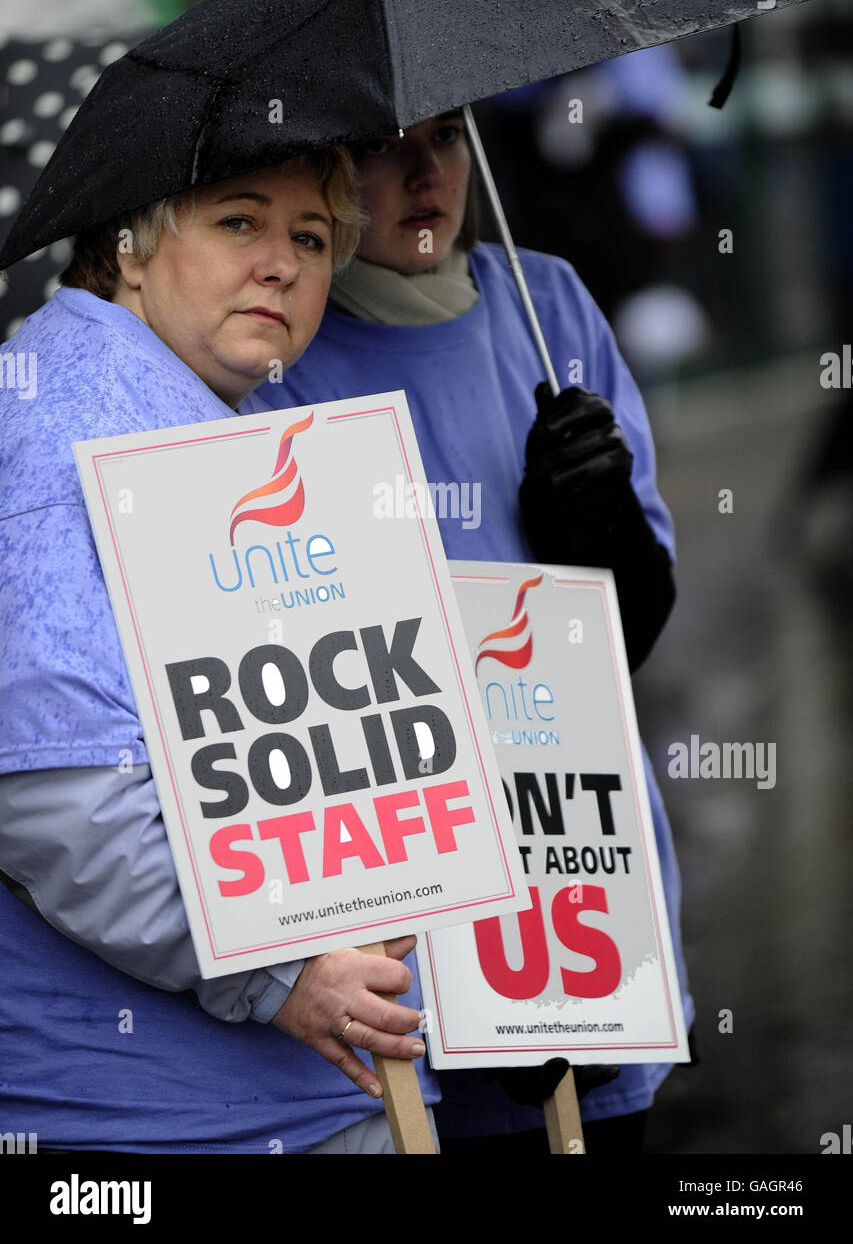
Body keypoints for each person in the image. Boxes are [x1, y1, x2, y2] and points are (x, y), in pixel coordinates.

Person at [248, 109, 696, 1152]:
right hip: (403, 892)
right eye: (378, 144)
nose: (424, 170)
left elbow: (631, 633)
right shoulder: (279, 351)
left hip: (575, 864)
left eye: (446, 136)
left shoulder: (548, 305)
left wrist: (598, 525)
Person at [0, 147, 439, 1155]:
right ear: (131, 248)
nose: (282, 264)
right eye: (239, 222)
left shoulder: (204, 413)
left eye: (313, 237)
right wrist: (281, 970)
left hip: (259, 1100)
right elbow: (60, 799)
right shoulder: (60, 423)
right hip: (154, 1121)